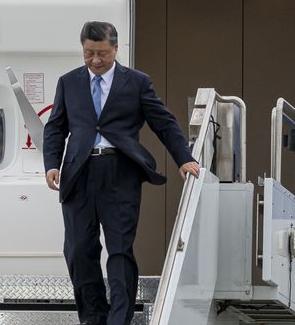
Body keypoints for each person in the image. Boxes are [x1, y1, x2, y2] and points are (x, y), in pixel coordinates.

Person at [43, 21, 200, 325]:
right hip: (79, 174)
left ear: (116, 49)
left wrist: (183, 158)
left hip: (120, 173)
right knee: (78, 250)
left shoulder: (137, 82)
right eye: (89, 53)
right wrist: (52, 164)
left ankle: (118, 320)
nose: (96, 60)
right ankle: (93, 317)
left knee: (119, 250)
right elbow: (55, 128)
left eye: (102, 53)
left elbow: (163, 123)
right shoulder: (68, 82)